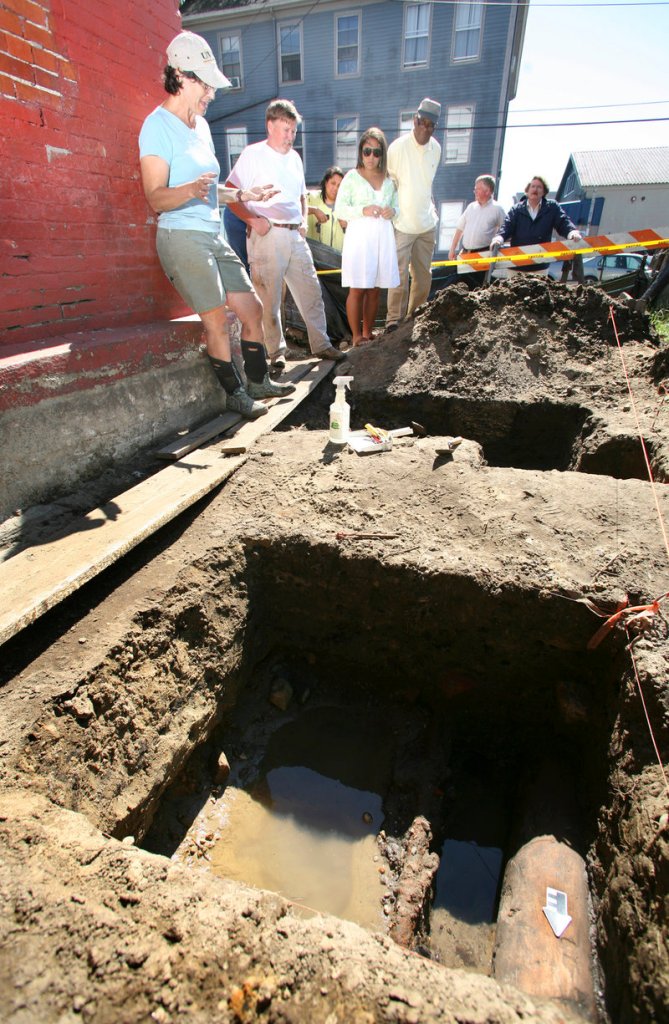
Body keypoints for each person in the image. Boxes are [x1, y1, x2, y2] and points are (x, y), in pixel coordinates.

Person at [138, 31, 295, 420]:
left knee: (252, 308)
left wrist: (243, 195)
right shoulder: (156, 127)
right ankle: (236, 395)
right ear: (180, 75)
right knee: (216, 320)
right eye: (205, 84)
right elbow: (156, 197)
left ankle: (258, 381)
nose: (211, 93)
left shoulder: (202, 127)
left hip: (213, 232)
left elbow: (210, 190)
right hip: (182, 236)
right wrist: (190, 189)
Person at [225, 99, 346, 372]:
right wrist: (252, 220)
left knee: (311, 290)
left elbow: (302, 194)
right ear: (270, 126)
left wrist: (303, 221)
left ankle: (321, 344)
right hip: (267, 233)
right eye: (285, 129)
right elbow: (231, 192)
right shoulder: (253, 154)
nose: (291, 136)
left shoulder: (294, 158)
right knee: (269, 298)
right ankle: (275, 352)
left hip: (294, 235)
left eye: (293, 131)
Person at [334, 129, 399, 346]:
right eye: (366, 151)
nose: (371, 157)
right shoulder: (352, 177)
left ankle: (368, 332)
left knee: (375, 288)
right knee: (358, 287)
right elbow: (340, 210)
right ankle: (356, 336)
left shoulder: (389, 180)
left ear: (382, 154)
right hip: (360, 239)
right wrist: (363, 210)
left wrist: (393, 211)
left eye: (376, 152)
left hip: (382, 237)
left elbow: (397, 206)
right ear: (360, 152)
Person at [385, 98, 441, 331]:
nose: (424, 129)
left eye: (429, 125)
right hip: (402, 223)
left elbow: (427, 185)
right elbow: (391, 184)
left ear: (434, 127)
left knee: (423, 275)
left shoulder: (436, 149)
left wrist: (432, 207)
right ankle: (393, 322)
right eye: (421, 122)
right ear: (414, 120)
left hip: (426, 223)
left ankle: (413, 319)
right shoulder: (397, 148)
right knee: (397, 276)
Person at [491, 176, 581, 277]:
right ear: (527, 190)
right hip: (516, 266)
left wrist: (571, 232)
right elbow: (507, 226)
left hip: (539, 266)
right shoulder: (516, 209)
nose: (535, 189)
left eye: (539, 187)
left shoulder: (552, 207)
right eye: (533, 186)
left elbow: (563, 221)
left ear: (544, 192)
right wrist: (499, 238)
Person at [448, 175, 505, 289]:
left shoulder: (497, 209)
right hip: (465, 253)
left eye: (478, 189)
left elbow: (504, 231)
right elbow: (460, 229)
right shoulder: (471, 207)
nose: (475, 191)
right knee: (460, 286)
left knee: (477, 287)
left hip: (483, 255)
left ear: (487, 191)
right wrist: (452, 249)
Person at [307, 166, 347, 252]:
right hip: (314, 259)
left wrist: (348, 226)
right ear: (326, 182)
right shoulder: (310, 198)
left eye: (339, 186)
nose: (336, 188)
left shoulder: (346, 207)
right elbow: (295, 210)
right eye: (333, 183)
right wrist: (314, 210)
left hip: (337, 261)